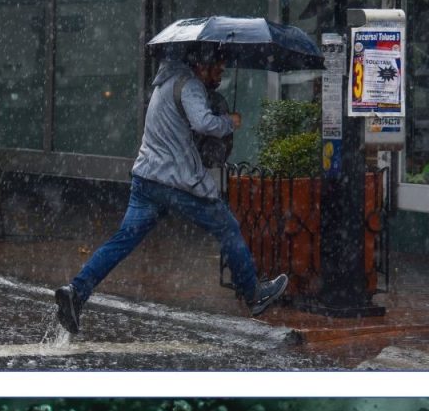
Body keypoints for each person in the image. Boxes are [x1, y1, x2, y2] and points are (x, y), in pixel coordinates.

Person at [55, 49, 288, 334]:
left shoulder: (165, 82)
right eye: (218, 66)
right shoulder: (189, 85)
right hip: (177, 182)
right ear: (202, 64)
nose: (222, 71)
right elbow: (202, 122)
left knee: (123, 240)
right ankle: (254, 295)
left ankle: (76, 292)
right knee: (227, 227)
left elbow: (181, 128)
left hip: (146, 180)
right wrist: (230, 123)